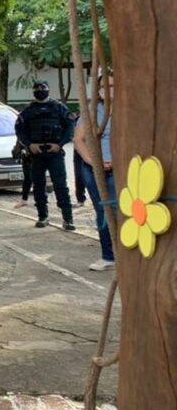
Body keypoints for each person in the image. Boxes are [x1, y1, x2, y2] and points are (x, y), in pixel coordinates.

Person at [15, 80, 75, 231]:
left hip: (55, 152)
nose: (40, 90)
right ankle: (42, 216)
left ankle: (68, 218)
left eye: (43, 88)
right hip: (36, 153)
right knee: (38, 186)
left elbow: (70, 127)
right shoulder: (27, 111)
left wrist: (60, 144)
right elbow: (20, 131)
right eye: (37, 88)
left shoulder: (59, 108)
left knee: (60, 186)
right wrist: (29, 145)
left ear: (49, 89)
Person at [74, 74, 116, 271]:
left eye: (113, 85)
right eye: (104, 86)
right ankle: (108, 256)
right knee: (103, 210)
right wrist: (92, 160)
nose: (108, 89)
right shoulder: (92, 110)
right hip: (94, 168)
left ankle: (125, 255)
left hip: (120, 167)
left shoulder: (130, 109)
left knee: (120, 209)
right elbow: (79, 139)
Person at [11, 137, 33, 209]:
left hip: (37, 157)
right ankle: (24, 200)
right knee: (28, 179)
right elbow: (17, 148)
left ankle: (42, 202)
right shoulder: (22, 132)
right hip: (27, 158)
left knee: (38, 179)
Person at [72, 111, 87, 206]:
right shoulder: (77, 120)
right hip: (78, 151)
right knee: (78, 175)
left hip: (92, 150)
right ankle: (80, 199)